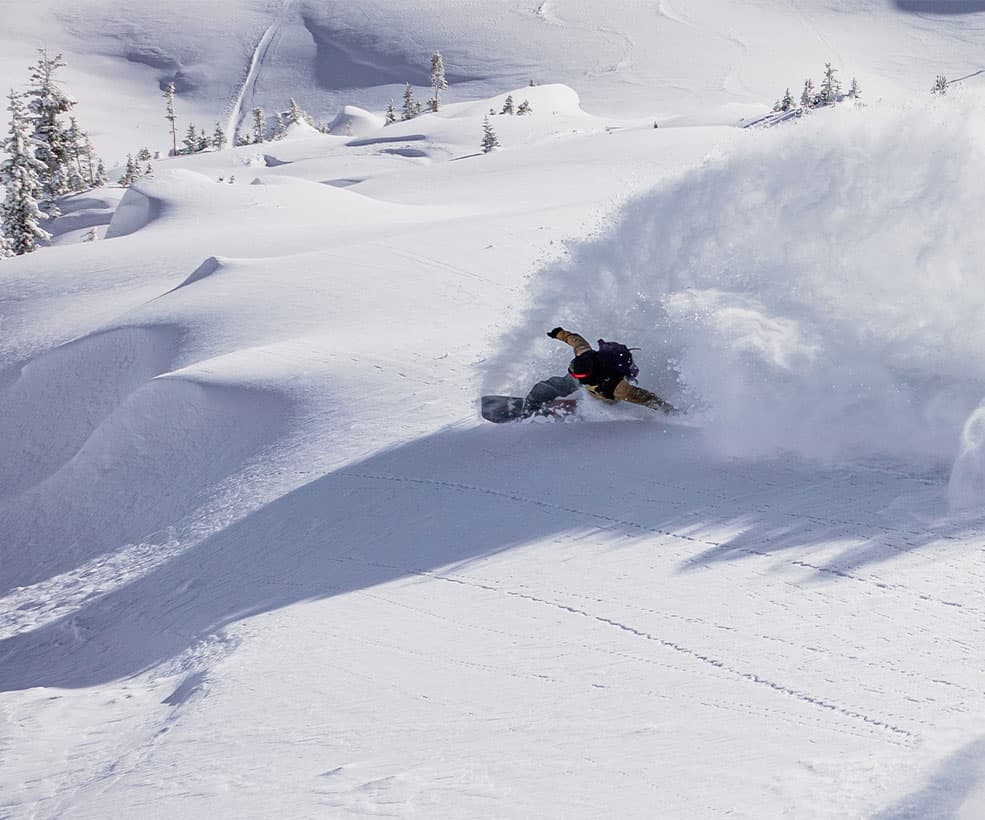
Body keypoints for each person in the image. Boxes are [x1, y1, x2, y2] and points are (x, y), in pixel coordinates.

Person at [523, 326, 676, 414]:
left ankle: (571, 408)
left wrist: (669, 410)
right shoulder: (584, 354)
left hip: (604, 395)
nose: (578, 377)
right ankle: (533, 402)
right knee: (559, 383)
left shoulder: (617, 388)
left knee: (595, 402)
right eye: (574, 373)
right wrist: (560, 333)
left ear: (587, 375)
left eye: (579, 376)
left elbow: (646, 398)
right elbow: (576, 340)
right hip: (592, 383)